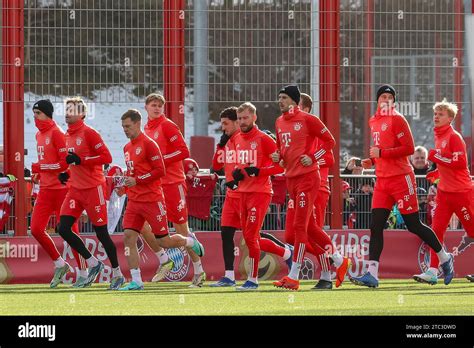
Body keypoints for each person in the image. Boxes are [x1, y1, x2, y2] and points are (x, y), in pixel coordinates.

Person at [349, 85, 454, 288]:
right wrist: (367, 162)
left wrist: (381, 154)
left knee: (413, 225)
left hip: (401, 178)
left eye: (389, 97)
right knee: (376, 226)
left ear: (394, 102)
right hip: (383, 181)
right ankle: (372, 274)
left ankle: (444, 257)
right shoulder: (373, 120)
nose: (386, 99)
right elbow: (378, 152)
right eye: (383, 96)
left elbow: (408, 149)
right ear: (377, 100)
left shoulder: (397, 119)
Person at [272, 85, 350, 291]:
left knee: (300, 227)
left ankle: (294, 276)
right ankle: (340, 260)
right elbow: (282, 148)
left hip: (310, 179)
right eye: (279, 97)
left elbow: (330, 142)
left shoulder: (308, 119)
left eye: (285, 98)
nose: (280, 101)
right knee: (307, 228)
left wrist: (312, 157)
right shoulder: (279, 122)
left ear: (296, 102)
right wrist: (278, 156)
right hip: (292, 180)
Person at [117, 109, 204, 290]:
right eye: (123, 127)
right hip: (134, 201)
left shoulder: (150, 144)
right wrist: (125, 186)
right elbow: (132, 172)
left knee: (165, 239)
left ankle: (190, 243)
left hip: (153, 198)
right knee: (128, 237)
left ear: (137, 123)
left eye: (128, 126)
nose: (125, 130)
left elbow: (160, 171)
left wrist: (138, 180)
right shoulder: (126, 148)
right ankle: (136, 281)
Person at [210, 107, 292, 288]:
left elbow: (281, 166)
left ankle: (253, 279)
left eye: (245, 118)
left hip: (259, 193)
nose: (242, 121)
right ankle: (232, 276)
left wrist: (259, 171)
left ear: (254, 117)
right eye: (240, 118)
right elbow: (222, 166)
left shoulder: (263, 138)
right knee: (237, 235)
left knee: (251, 236)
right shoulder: (235, 139)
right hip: (240, 193)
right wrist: (236, 176)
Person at [56, 97, 125, 289]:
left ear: (82, 114)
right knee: (63, 228)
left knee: (101, 234)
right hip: (75, 190)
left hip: (94, 189)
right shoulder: (66, 135)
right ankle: (94, 263)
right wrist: (65, 173)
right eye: (66, 109)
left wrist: (81, 160)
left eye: (72, 110)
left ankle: (118, 274)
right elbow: (73, 162)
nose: (68, 113)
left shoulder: (90, 133)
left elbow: (106, 157)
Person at [143, 93, 206, 287]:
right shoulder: (145, 128)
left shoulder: (167, 125)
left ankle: (199, 271)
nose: (157, 108)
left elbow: (183, 151)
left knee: (182, 230)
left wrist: (160, 161)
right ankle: (164, 259)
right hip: (155, 185)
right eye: (154, 105)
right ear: (146, 107)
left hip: (173, 184)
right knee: (142, 226)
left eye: (160, 106)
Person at [413, 99, 474, 284]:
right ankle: (432, 271)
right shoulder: (439, 136)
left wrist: (437, 156)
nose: (436, 117)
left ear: (450, 118)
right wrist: (436, 171)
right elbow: (447, 162)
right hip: (444, 194)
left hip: (462, 193)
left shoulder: (454, 136)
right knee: (436, 231)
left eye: (441, 114)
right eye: (435, 114)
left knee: (472, 231)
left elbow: (460, 163)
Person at [30, 99, 87, 288]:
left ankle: (84, 272)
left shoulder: (57, 133)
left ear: (47, 114)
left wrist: (41, 167)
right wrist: (39, 173)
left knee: (70, 231)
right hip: (46, 191)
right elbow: (48, 161)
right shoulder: (39, 134)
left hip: (62, 190)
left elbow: (64, 163)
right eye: (34, 114)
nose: (35, 117)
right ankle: (60, 264)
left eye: (38, 113)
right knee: (36, 229)